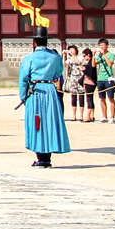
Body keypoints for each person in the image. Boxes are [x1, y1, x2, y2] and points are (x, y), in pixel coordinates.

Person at [18, 26, 70, 168]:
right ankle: (47, 158)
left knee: (37, 123)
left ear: (34, 42)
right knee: (49, 122)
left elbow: (23, 79)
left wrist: (23, 97)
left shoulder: (29, 58)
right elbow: (58, 74)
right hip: (50, 91)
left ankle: (40, 156)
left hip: (36, 91)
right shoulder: (55, 57)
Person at [94, 39, 115, 123]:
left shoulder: (111, 55)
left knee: (111, 98)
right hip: (100, 78)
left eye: (103, 45)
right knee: (102, 98)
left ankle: (112, 117)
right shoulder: (99, 55)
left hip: (108, 78)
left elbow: (110, 64)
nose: (102, 47)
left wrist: (104, 54)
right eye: (100, 45)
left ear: (107, 45)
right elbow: (94, 64)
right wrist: (94, 55)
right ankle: (104, 116)